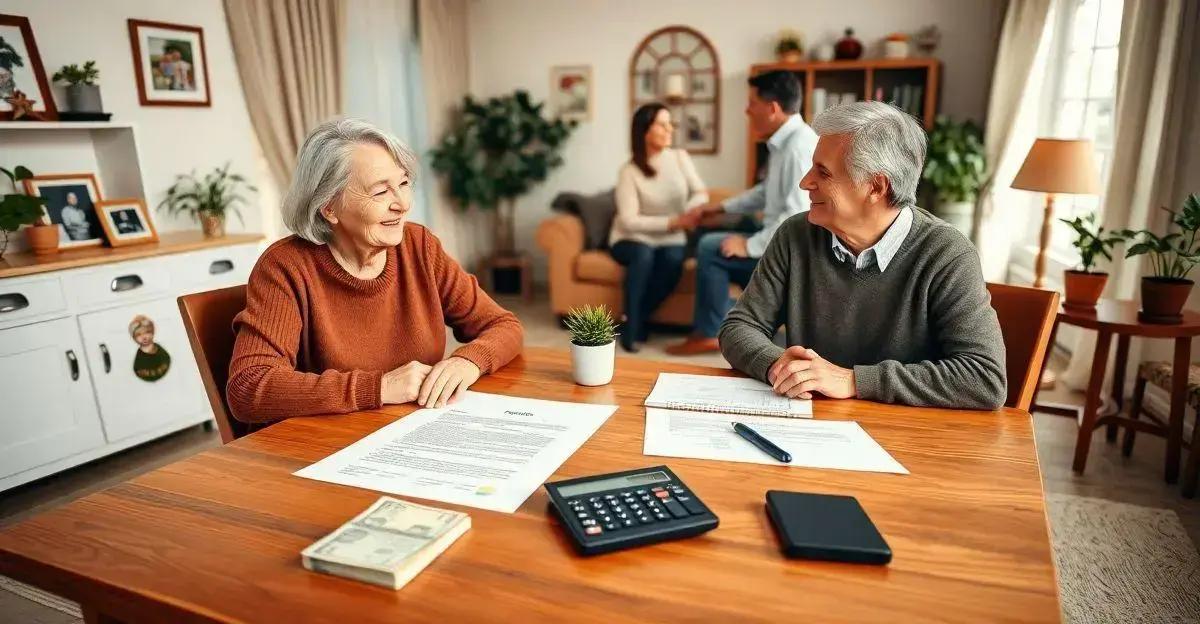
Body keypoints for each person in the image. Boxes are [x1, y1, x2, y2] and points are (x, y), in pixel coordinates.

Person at [227, 118, 524, 427]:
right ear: (329, 207)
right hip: (328, 446)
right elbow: (249, 387)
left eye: (404, 183)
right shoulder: (285, 267)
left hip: (413, 431)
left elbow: (504, 325)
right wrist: (379, 387)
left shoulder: (419, 246)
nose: (402, 204)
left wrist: (467, 361)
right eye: (381, 192)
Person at [718, 101, 1006, 410]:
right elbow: (738, 328)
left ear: (876, 187)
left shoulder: (947, 254)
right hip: (811, 424)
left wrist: (853, 381)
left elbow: (984, 378)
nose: (805, 183)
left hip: (906, 438)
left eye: (823, 173)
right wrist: (782, 366)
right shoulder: (795, 236)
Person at [666, 70, 816, 355]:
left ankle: (709, 331)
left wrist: (747, 245)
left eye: (751, 103)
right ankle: (723, 320)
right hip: (776, 241)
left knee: (712, 247)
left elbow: (797, 216)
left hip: (789, 255)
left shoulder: (798, 148)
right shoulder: (786, 142)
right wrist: (719, 207)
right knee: (714, 234)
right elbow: (764, 192)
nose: (747, 110)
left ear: (772, 109)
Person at [608, 103, 705, 352]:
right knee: (643, 256)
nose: (669, 129)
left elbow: (700, 192)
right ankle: (631, 330)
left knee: (673, 261)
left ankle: (635, 319)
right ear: (644, 131)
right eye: (662, 124)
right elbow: (628, 220)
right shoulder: (628, 171)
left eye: (670, 123)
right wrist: (673, 222)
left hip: (671, 239)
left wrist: (690, 210)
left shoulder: (679, 158)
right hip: (630, 237)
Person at [130, 315, 171, 382]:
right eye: (139, 334)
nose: (144, 337)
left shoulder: (160, 351)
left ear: (152, 332)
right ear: (134, 338)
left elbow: (166, 360)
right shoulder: (139, 359)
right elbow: (139, 371)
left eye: (147, 332)